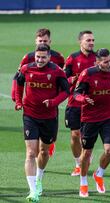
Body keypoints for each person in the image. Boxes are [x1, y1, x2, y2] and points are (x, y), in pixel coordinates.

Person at [15, 44, 69, 202]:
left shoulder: (57, 71)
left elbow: (66, 91)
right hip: (30, 115)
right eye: (38, 57)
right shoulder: (26, 69)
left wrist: (53, 102)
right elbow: (18, 84)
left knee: (43, 152)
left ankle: (39, 178)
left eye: (43, 57)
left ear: (49, 57)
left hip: (49, 117)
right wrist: (18, 101)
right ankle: (32, 190)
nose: (39, 60)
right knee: (31, 153)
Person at [74, 48, 110, 197]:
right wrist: (84, 99)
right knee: (87, 153)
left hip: (107, 117)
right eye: (106, 62)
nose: (109, 64)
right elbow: (76, 94)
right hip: (89, 119)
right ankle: (83, 182)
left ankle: (99, 174)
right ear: (97, 62)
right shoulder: (88, 74)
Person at [11, 28, 65, 157]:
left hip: (51, 100)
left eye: (45, 40)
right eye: (40, 40)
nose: (43, 42)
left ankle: (48, 145)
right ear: (36, 41)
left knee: (50, 135)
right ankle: (38, 161)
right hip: (32, 103)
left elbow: (64, 76)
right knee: (33, 146)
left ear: (50, 41)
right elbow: (18, 76)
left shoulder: (58, 57)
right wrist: (15, 96)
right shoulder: (28, 58)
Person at [64, 30, 96, 176]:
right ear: (80, 42)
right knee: (75, 135)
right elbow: (63, 79)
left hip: (91, 103)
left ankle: (85, 158)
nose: (91, 43)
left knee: (86, 136)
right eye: (88, 40)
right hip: (74, 103)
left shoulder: (98, 58)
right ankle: (78, 163)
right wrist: (73, 80)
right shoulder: (72, 58)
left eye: (92, 40)